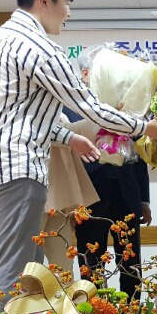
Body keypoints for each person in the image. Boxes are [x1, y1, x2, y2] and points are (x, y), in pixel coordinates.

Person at [0, 0, 157, 314]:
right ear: (44, 0)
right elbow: (91, 107)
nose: (68, 13)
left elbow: (14, 114)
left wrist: (67, 137)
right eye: (66, 3)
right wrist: (144, 127)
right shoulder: (38, 46)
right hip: (19, 167)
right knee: (16, 265)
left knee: (32, 266)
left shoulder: (0, 38)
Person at [67, 46, 153, 298]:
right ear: (86, 74)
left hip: (127, 192)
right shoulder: (72, 107)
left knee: (131, 260)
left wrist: (144, 199)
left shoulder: (127, 105)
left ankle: (131, 313)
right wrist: (71, 202)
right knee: (91, 259)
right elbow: (68, 161)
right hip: (89, 195)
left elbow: (139, 153)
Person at [42, 112, 100, 271]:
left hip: (59, 202)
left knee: (63, 265)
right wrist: (106, 119)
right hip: (31, 195)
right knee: (28, 263)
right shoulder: (27, 110)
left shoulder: (59, 114)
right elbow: (54, 132)